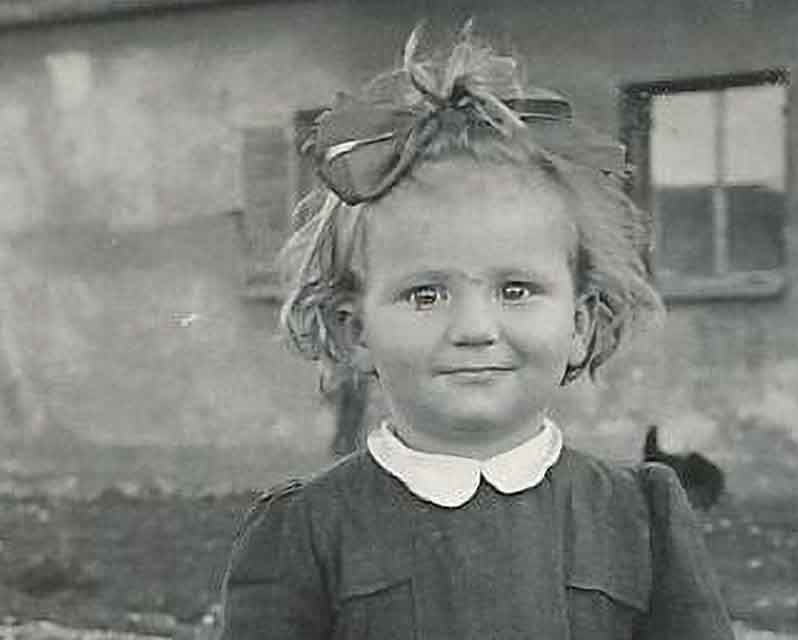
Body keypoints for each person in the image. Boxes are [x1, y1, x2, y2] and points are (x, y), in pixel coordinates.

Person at [220, 22, 734, 640]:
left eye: (515, 290)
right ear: (355, 330)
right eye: (425, 294)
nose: (473, 329)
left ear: (580, 321)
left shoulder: (640, 519)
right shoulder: (305, 531)